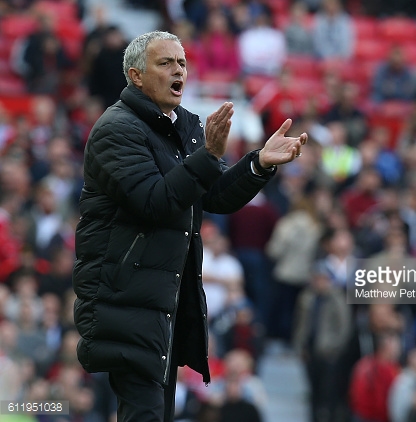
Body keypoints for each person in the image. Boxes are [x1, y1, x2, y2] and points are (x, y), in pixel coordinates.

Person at [71, 30, 307, 422]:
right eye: (165, 63)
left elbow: (211, 196)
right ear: (136, 76)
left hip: (166, 299)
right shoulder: (116, 129)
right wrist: (210, 153)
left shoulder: (185, 126)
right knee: (144, 412)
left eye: (181, 62)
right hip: (126, 297)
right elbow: (154, 202)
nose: (178, 69)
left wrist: (258, 163)